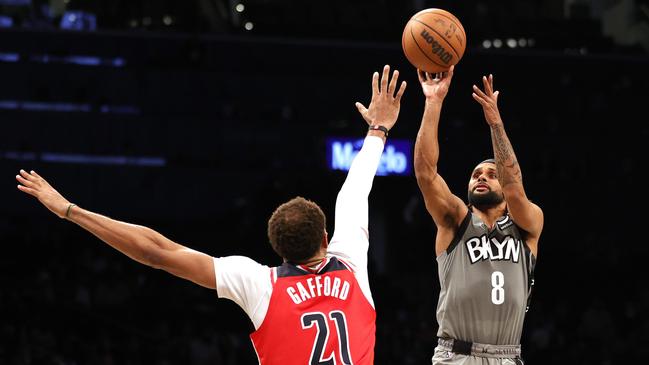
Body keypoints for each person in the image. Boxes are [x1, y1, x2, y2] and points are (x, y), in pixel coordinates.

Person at [16, 64, 407, 364]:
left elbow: (156, 251)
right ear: (326, 239)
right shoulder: (350, 263)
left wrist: (71, 211)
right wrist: (378, 128)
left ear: (277, 249)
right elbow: (356, 186)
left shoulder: (260, 282)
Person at [413, 65, 543, 365]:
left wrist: (495, 123)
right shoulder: (456, 219)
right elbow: (425, 172)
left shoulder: (528, 224)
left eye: (490, 174)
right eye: (475, 174)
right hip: (455, 355)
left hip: (507, 356)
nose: (481, 177)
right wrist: (434, 101)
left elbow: (514, 188)